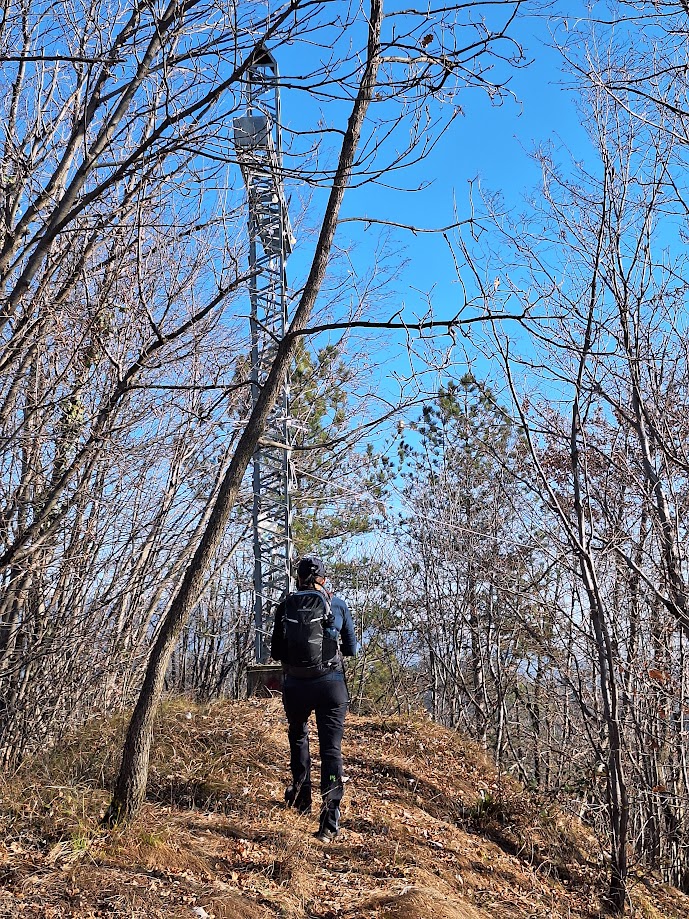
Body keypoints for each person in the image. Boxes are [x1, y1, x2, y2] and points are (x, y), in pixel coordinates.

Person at [270, 555, 357, 841]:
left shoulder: (285, 606)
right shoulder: (337, 604)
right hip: (330, 685)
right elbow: (351, 649)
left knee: (298, 736)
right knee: (331, 750)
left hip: (295, 685)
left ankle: (300, 798)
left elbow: (276, 652)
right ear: (323, 578)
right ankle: (329, 821)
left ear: (298, 578)